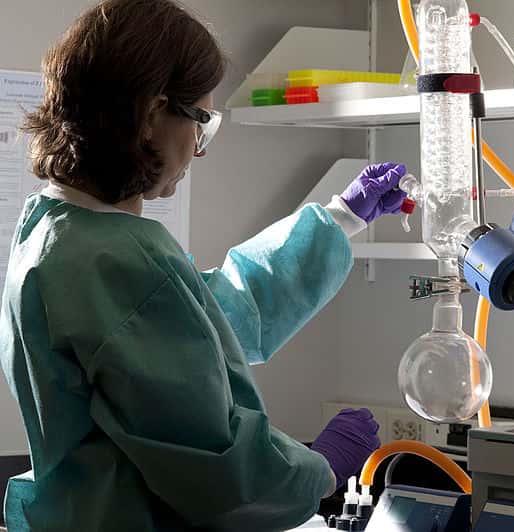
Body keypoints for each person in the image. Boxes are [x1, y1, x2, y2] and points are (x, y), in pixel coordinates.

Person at [0, 1, 407, 530]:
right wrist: (320, 469)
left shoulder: (54, 228)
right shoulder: (119, 260)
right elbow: (221, 474)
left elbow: (208, 316)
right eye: (200, 122)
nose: (200, 148)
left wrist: (341, 217)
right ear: (151, 113)